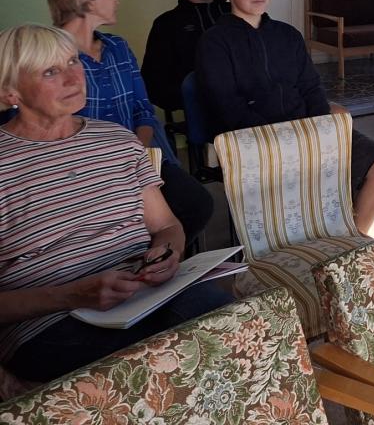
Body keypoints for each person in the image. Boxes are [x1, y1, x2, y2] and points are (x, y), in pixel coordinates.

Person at [0, 23, 231, 383]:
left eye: (73, 61)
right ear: (9, 91)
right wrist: (70, 295)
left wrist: (167, 254)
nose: (73, 77)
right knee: (154, 370)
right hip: (49, 323)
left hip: (144, 295)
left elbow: (166, 226)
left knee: (233, 326)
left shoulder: (117, 140)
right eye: (50, 71)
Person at [195, 0, 374, 235]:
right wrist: (286, 138)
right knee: (301, 190)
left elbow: (311, 88)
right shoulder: (215, 42)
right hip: (256, 138)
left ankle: (353, 242)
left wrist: (320, 129)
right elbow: (227, 106)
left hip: (303, 129)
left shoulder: (287, 35)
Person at [47, 0, 213, 248]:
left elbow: (143, 109)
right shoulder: (49, 55)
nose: (117, 1)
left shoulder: (118, 47)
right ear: (89, 0)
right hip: (83, 169)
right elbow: (44, 125)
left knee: (196, 203)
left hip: (136, 156)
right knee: (121, 223)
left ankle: (158, 261)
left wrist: (135, 152)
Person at [141, 0, 230, 121]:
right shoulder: (167, 24)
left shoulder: (234, 14)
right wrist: (190, 97)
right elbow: (153, 83)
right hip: (197, 105)